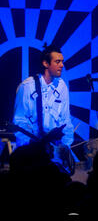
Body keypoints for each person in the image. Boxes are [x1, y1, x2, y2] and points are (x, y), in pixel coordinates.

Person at [13, 44, 76, 173]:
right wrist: (33, 142)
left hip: (54, 154)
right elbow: (19, 120)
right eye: (57, 62)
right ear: (45, 64)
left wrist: (65, 146)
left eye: (62, 61)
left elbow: (65, 120)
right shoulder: (27, 87)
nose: (61, 65)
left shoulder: (62, 87)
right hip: (31, 154)